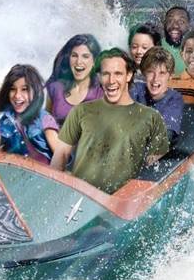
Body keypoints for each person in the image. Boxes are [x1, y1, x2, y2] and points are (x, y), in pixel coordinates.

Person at [50, 49, 169, 194]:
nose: (111, 81)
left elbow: (154, 173)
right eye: (106, 74)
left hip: (119, 206)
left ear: (129, 75)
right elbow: (59, 158)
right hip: (78, 201)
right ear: (99, 77)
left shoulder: (152, 117)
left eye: (118, 73)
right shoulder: (80, 111)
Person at [0, 64, 61, 165]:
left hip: (43, 175)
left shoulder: (45, 119)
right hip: (16, 174)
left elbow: (60, 156)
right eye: (13, 89)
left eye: (24, 89)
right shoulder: (6, 120)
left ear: (35, 91)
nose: (17, 96)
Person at [45, 34, 104, 125]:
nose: (78, 61)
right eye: (74, 55)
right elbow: (45, 126)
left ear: (94, 61)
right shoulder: (55, 88)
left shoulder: (102, 91)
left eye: (85, 56)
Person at [130, 47, 183, 144]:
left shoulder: (174, 99)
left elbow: (167, 134)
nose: (156, 79)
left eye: (162, 73)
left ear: (170, 75)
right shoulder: (136, 90)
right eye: (150, 72)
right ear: (143, 72)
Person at [160, 6, 190, 75]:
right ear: (164, 24)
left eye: (181, 21)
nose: (175, 25)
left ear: (188, 26)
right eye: (170, 21)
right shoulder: (155, 46)